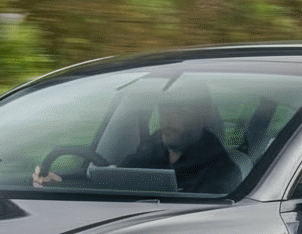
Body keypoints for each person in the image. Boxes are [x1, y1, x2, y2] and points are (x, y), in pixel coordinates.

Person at [32, 83, 242, 193]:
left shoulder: (223, 174)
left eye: (178, 110)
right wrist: (61, 182)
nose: (166, 118)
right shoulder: (146, 155)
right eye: (163, 109)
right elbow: (109, 187)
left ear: (200, 117)